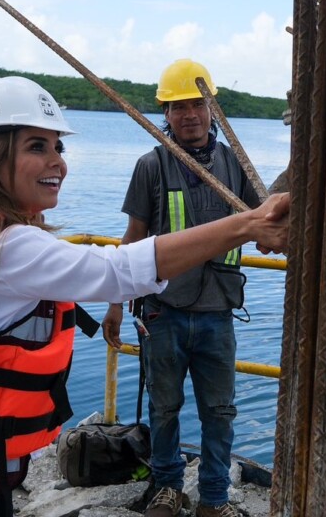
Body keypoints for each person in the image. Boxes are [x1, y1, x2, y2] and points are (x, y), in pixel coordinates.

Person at [0, 76, 289, 517]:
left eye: (58, 147)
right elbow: (120, 271)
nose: (58, 163)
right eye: (37, 147)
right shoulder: (8, 247)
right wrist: (247, 225)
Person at [102, 58, 261, 517]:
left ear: (213, 109)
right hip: (163, 311)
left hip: (218, 313)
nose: (189, 115)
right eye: (178, 107)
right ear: (165, 115)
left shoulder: (235, 165)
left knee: (220, 411)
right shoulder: (151, 166)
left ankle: (214, 498)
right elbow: (132, 240)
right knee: (164, 406)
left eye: (197, 105)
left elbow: (264, 218)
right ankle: (168, 486)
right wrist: (116, 303)